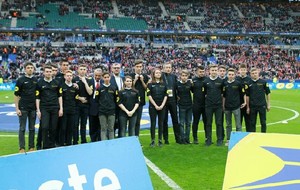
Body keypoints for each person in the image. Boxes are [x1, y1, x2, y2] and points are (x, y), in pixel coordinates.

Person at [36, 65, 63, 149]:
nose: (48, 73)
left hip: (55, 108)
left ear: (52, 73)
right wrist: (38, 110)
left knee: (53, 128)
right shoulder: (39, 83)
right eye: (47, 71)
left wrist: (61, 108)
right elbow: (37, 98)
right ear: (44, 72)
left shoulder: (57, 83)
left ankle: (51, 145)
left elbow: (60, 96)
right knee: (44, 127)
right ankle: (45, 145)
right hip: (44, 108)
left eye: (50, 72)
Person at [14, 62, 37, 153]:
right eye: (28, 67)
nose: (30, 69)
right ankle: (22, 148)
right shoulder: (20, 80)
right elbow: (16, 95)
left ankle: (31, 147)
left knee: (32, 128)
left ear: (34, 69)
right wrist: (17, 109)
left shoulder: (36, 80)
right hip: (23, 107)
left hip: (33, 108)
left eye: (31, 67)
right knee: (22, 128)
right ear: (24, 69)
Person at [222, 68, 246, 146]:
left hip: (236, 107)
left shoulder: (238, 84)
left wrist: (245, 102)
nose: (231, 76)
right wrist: (223, 105)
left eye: (232, 74)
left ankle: (239, 140)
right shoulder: (225, 84)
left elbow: (243, 94)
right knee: (228, 124)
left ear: (235, 75)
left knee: (238, 124)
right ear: (227, 75)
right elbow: (224, 96)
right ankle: (228, 140)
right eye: (229, 74)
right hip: (227, 107)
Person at [203, 64, 224, 146]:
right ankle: (208, 140)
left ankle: (219, 140)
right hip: (209, 105)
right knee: (208, 123)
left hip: (218, 106)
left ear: (217, 71)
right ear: (209, 71)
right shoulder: (206, 82)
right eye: (212, 70)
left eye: (215, 70)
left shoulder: (221, 81)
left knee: (219, 123)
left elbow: (223, 93)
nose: (214, 72)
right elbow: (204, 93)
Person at [147, 68, 168, 147]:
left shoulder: (164, 84)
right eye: (157, 73)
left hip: (162, 106)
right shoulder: (150, 84)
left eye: (159, 73)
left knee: (161, 123)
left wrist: (162, 105)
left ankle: (160, 140)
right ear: (154, 74)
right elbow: (149, 95)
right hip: (153, 107)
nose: (158, 74)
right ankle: (152, 140)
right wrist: (155, 105)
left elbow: (166, 95)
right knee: (153, 123)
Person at [73, 64, 93, 144]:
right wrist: (79, 98)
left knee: (83, 124)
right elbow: (71, 93)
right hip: (76, 105)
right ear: (78, 70)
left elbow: (90, 93)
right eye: (81, 69)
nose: (82, 71)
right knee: (75, 124)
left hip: (86, 105)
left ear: (86, 70)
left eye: (84, 69)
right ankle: (75, 140)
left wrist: (85, 82)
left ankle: (83, 140)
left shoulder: (90, 80)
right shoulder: (74, 79)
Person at [246, 68, 271, 133]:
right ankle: (253, 136)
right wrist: (248, 107)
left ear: (258, 73)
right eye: (253, 73)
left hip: (262, 105)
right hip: (252, 106)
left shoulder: (263, 82)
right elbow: (247, 96)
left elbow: (268, 93)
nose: (254, 75)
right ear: (250, 74)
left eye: (255, 73)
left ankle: (263, 136)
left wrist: (268, 104)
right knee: (252, 123)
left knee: (263, 122)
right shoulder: (248, 83)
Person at [162, 62, 181, 144]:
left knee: (175, 120)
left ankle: (178, 138)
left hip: (173, 101)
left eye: (169, 67)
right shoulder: (161, 76)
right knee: (164, 121)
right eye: (166, 67)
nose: (168, 69)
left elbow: (177, 88)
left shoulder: (174, 77)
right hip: (164, 101)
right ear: (163, 68)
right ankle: (166, 139)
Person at [97, 72, 118, 140]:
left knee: (111, 128)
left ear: (110, 78)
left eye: (108, 77)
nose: (106, 79)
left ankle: (112, 143)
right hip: (102, 111)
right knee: (103, 128)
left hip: (111, 111)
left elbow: (116, 99)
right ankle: (104, 143)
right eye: (105, 77)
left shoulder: (114, 88)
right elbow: (96, 99)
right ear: (103, 78)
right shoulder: (99, 88)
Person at [130, 59, 149, 136]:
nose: (139, 68)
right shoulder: (130, 75)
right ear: (134, 67)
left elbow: (146, 89)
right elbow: (129, 87)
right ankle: (130, 138)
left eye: (140, 66)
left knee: (138, 121)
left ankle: (136, 138)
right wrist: (134, 79)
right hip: (131, 101)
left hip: (140, 101)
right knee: (131, 121)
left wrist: (142, 80)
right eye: (137, 66)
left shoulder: (144, 76)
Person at [59, 70, 78, 146]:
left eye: (70, 75)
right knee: (63, 127)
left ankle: (69, 143)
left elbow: (76, 97)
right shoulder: (61, 86)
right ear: (64, 77)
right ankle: (61, 143)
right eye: (67, 75)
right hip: (64, 109)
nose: (69, 77)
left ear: (72, 77)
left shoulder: (75, 87)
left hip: (72, 109)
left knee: (71, 127)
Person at [176, 69, 193, 144]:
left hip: (189, 105)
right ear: (180, 76)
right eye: (183, 76)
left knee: (188, 123)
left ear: (187, 76)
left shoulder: (190, 83)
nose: (184, 77)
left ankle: (187, 138)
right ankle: (182, 139)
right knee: (182, 123)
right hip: (181, 106)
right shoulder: (177, 84)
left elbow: (193, 91)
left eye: (185, 76)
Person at [191, 65, 207, 144]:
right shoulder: (193, 80)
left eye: (203, 72)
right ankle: (195, 138)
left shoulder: (207, 80)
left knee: (206, 122)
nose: (201, 73)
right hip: (196, 104)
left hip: (205, 105)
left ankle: (207, 137)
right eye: (200, 72)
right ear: (197, 72)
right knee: (195, 122)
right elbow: (190, 90)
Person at [110, 63, 124, 137]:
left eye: (118, 68)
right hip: (113, 104)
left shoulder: (123, 79)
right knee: (113, 122)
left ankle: (120, 137)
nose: (116, 69)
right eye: (115, 68)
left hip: (122, 104)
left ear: (120, 69)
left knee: (121, 122)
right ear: (112, 69)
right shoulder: (109, 79)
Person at [236, 63, 251, 132]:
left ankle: (248, 136)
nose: (243, 71)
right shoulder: (236, 79)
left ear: (246, 70)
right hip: (238, 103)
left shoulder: (249, 79)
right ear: (239, 70)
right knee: (239, 122)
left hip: (248, 103)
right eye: (241, 70)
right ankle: (239, 136)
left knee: (248, 121)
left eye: (244, 70)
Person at [89, 68, 102, 142]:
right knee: (92, 124)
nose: (97, 77)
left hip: (101, 107)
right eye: (96, 75)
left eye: (99, 76)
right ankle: (93, 140)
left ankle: (99, 140)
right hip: (92, 107)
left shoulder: (103, 82)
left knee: (100, 125)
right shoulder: (89, 81)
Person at [218, 65, 227, 142]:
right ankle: (221, 136)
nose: (222, 72)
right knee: (220, 121)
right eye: (220, 71)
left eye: (223, 71)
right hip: (218, 104)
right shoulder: (217, 80)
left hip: (228, 104)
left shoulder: (228, 80)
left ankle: (229, 138)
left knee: (228, 122)